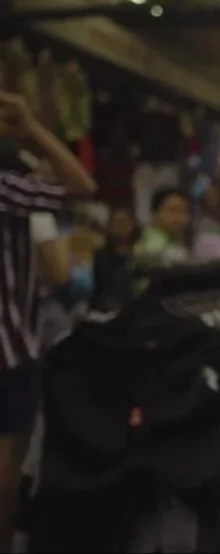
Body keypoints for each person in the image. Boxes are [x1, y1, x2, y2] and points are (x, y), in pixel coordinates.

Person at [0, 90, 95, 552]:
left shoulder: (9, 188)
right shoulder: (10, 188)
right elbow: (82, 186)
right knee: (6, 472)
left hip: (13, 344)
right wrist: (31, 127)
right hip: (10, 346)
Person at [91, 207, 137, 312]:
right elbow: (99, 287)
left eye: (125, 223)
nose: (121, 227)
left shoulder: (139, 252)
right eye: (117, 223)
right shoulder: (100, 255)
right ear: (109, 226)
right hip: (105, 308)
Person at [134, 186, 190, 264]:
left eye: (183, 211)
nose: (179, 217)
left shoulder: (180, 240)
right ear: (155, 213)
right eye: (172, 210)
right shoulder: (151, 246)